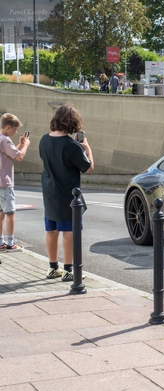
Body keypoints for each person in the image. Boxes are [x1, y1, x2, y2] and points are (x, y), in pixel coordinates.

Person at [39, 103, 94, 281]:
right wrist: (87, 149)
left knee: (51, 230)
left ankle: (52, 267)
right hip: (68, 193)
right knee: (69, 232)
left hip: (49, 191)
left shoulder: (43, 140)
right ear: (72, 123)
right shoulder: (71, 145)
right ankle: (70, 269)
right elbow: (88, 168)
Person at [0, 113, 31, 251]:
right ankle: (10, 243)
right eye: (14, 129)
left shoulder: (1, 139)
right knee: (10, 213)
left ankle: (1, 242)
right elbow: (19, 157)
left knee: (0, 213)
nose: (16, 131)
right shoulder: (5, 140)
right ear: (8, 127)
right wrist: (26, 145)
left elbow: (11, 153)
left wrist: (19, 144)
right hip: (5, 182)